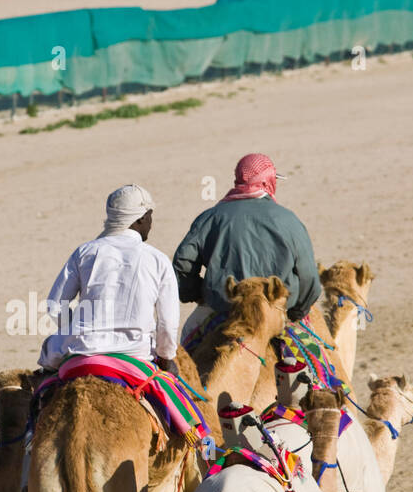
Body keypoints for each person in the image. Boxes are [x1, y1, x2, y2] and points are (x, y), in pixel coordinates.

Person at [172, 153, 320, 341]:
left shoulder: (209, 217)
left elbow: (182, 263)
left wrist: (195, 294)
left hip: (223, 309)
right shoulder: (289, 219)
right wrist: (298, 311)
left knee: (187, 340)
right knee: (318, 358)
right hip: (278, 311)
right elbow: (309, 277)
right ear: (268, 182)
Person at [38, 183, 180, 373]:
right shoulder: (158, 259)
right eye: (150, 217)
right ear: (141, 218)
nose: (151, 224)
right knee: (179, 399)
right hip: (136, 353)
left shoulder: (85, 252)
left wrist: (75, 331)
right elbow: (167, 324)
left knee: (42, 384)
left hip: (82, 348)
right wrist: (166, 357)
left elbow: (55, 306)